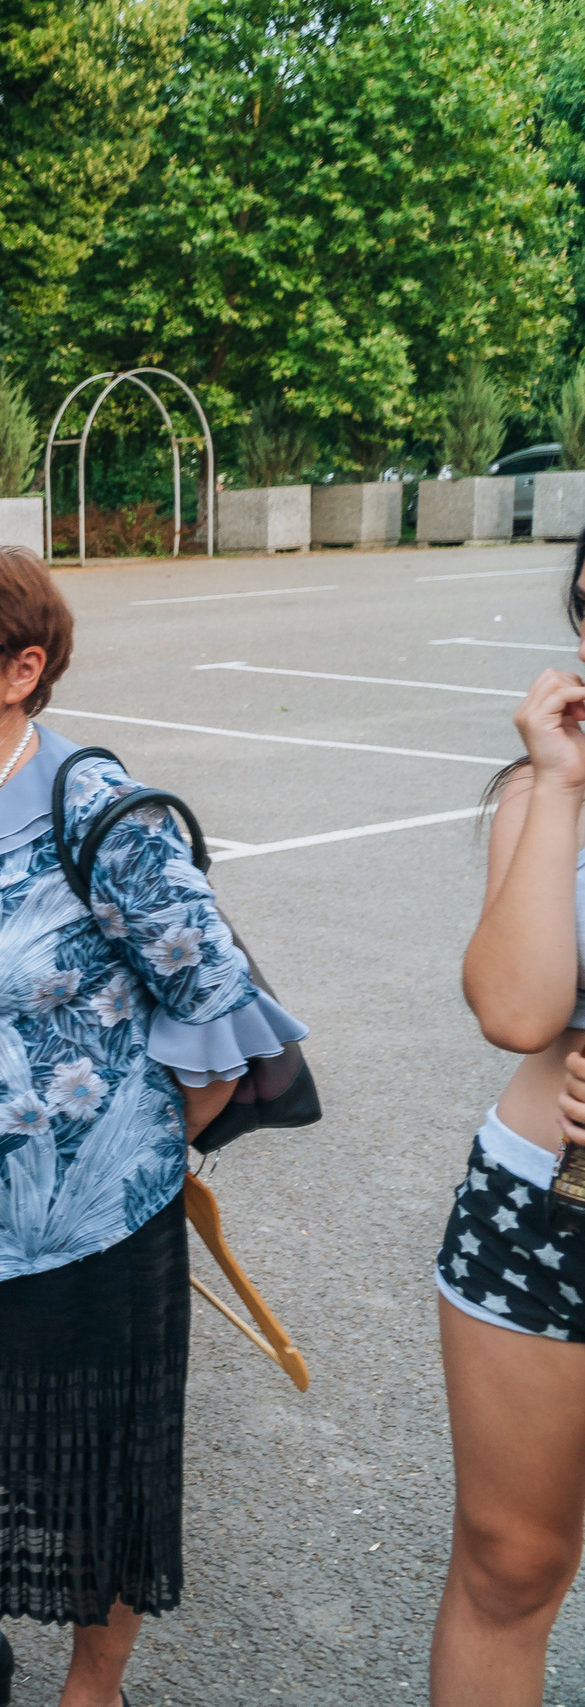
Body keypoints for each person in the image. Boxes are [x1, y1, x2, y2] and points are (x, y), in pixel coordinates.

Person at [0, 542, 304, 1707]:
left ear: (21, 669)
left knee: (93, 1459)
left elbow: (216, 1016)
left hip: (85, 1220)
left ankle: (95, 1687)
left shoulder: (102, 817)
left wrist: (118, 1160)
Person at [438, 539, 585, 1704]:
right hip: (540, 1206)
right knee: (507, 1566)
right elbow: (516, 1006)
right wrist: (562, 782)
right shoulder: (550, 788)